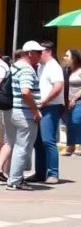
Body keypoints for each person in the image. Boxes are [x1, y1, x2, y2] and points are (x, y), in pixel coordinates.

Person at [3, 43, 43, 190]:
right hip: (25, 113)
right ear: (29, 53)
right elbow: (25, 92)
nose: (40, 55)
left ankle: (14, 178)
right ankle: (15, 181)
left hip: (15, 111)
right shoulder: (26, 69)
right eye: (38, 52)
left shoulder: (15, 66)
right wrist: (35, 111)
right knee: (23, 147)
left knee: (18, 146)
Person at [31, 41, 64, 184]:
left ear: (49, 51)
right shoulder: (41, 66)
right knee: (38, 142)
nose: (38, 54)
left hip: (51, 106)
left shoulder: (53, 67)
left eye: (40, 52)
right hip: (42, 106)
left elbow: (58, 87)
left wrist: (44, 102)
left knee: (48, 140)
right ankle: (39, 173)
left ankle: (53, 173)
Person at [63, 49, 81, 155]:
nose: (65, 58)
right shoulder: (68, 70)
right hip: (68, 101)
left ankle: (79, 145)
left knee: (77, 122)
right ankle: (70, 146)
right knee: (69, 123)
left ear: (74, 58)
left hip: (78, 100)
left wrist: (74, 99)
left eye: (67, 56)